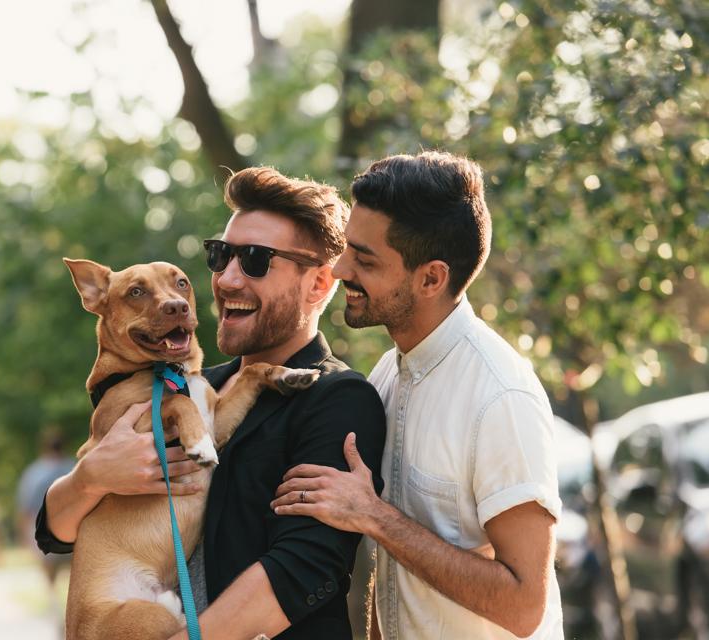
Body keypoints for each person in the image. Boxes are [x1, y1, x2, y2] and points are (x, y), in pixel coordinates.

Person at [36, 167, 386, 639]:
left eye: (257, 260)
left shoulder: (337, 398)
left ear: (320, 284)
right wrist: (89, 478)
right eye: (221, 256)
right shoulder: (189, 384)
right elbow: (55, 532)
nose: (229, 278)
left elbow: (302, 567)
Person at [271, 151, 564, 639]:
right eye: (347, 249)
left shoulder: (501, 397)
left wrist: (374, 517)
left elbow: (523, 605)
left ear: (431, 278)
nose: (341, 269)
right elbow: (396, 583)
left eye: (364, 259)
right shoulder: (389, 371)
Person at [16, 430, 76, 619]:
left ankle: (56, 610)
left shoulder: (34, 472)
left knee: (50, 580)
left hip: (44, 535)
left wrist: (25, 538)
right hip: (76, 533)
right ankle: (71, 612)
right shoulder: (75, 467)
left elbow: (26, 508)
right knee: (75, 579)